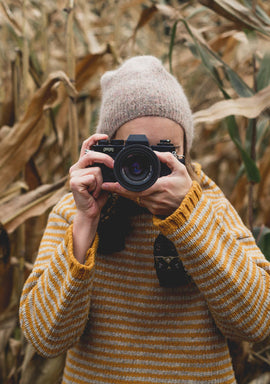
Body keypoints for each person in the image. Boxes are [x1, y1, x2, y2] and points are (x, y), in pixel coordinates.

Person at [19, 56, 270, 384]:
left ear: (185, 152)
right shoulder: (76, 211)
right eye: (134, 152)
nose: (145, 166)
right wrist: (85, 224)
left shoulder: (209, 207)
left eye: (165, 151)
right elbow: (45, 338)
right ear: (107, 150)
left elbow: (256, 323)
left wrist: (186, 218)